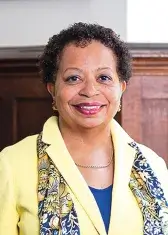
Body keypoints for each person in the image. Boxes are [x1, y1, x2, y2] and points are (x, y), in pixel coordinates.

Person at [0, 22, 168, 235]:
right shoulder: (12, 164)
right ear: (53, 90)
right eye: (74, 78)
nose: (90, 91)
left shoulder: (154, 166)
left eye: (104, 78)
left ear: (121, 88)